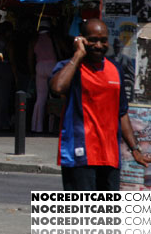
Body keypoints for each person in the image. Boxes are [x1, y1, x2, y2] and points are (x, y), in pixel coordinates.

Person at [49, 19, 149, 191]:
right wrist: (78, 55)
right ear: (81, 40)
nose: (98, 45)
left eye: (103, 40)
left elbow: (122, 112)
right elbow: (58, 87)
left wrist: (135, 148)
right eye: (92, 39)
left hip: (109, 156)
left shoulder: (115, 70)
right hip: (79, 156)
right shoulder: (70, 67)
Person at [28, 19, 59, 133]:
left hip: (39, 66)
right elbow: (62, 50)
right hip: (53, 66)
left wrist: (32, 72)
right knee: (53, 97)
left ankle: (36, 126)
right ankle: (52, 127)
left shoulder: (34, 40)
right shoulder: (53, 38)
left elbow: (30, 58)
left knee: (40, 98)